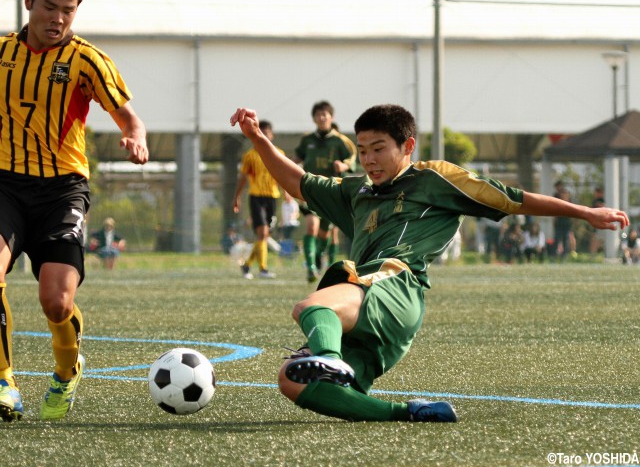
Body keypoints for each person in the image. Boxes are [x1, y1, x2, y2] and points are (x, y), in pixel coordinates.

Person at [229, 105, 629, 423]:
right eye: (363, 149)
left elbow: (513, 198)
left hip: (396, 286)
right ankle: (409, 412)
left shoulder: (435, 178)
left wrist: (585, 212)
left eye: (379, 148)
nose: (369, 159)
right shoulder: (358, 190)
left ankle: (330, 361)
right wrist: (260, 140)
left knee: (311, 307)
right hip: (374, 305)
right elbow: (297, 183)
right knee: (291, 382)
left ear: (408, 146)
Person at [0, 0, 149, 422]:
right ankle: (4, 379)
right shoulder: (3, 53)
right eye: (50, 7)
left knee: (57, 302)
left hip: (62, 190)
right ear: (29, 2)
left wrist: (135, 137)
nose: (59, 18)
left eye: (69, 10)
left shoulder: (87, 60)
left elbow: (129, 118)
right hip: (5, 186)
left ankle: (67, 371)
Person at [293, 101, 356, 282]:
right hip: (309, 190)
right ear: (314, 118)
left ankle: (320, 257)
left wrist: (342, 165)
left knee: (325, 234)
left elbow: (352, 158)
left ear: (331, 117)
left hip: (330, 192)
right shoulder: (307, 140)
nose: (321, 118)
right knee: (311, 227)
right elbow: (296, 158)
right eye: (318, 115)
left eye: (325, 115)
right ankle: (311, 267)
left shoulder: (339, 141)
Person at [232, 120, 282, 279]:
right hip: (256, 197)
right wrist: (237, 197)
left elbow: (283, 176)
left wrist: (289, 192)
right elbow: (242, 178)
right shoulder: (250, 156)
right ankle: (263, 269)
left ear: (271, 135)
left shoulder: (278, 154)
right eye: (261, 132)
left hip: (272, 197)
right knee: (263, 233)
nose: (264, 136)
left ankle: (247, 265)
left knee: (264, 236)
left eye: (267, 132)